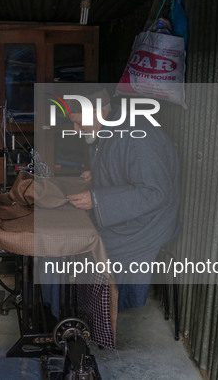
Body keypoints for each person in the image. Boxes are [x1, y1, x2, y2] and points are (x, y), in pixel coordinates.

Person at [66, 86, 181, 311]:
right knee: (76, 239)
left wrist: (96, 199)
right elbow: (123, 168)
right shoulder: (110, 127)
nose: (76, 129)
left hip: (148, 224)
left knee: (86, 247)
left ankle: (101, 312)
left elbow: (155, 192)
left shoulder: (139, 136)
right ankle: (78, 310)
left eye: (79, 122)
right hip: (131, 216)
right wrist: (96, 175)